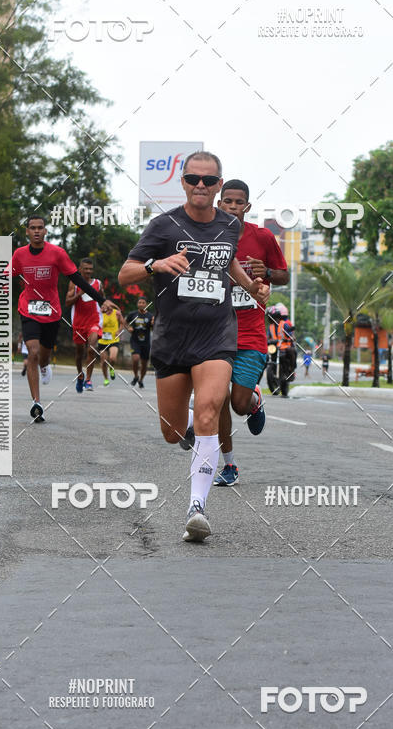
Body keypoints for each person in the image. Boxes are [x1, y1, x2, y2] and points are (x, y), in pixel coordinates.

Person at [118, 151, 269, 542]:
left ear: (219, 186)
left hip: (217, 336)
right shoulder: (163, 226)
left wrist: (251, 287)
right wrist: (157, 265)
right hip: (171, 339)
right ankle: (187, 432)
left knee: (208, 412)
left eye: (208, 180)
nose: (200, 185)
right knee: (172, 431)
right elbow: (125, 274)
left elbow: (228, 263)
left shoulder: (228, 225)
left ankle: (196, 508)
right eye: (192, 179)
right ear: (183, 183)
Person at [0, 215, 107, 421]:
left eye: (40, 228)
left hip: (52, 312)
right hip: (28, 309)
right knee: (33, 353)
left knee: (44, 357)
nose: (37, 231)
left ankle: (45, 367)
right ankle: (37, 402)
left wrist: (101, 300)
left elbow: (77, 279)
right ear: (27, 232)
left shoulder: (57, 253)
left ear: (45, 231)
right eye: (32, 228)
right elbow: (3, 278)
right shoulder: (19, 255)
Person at [213, 179, 288, 486]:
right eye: (227, 201)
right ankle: (229, 465)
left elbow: (283, 275)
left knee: (238, 404)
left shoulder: (263, 237)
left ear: (247, 206)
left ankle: (254, 400)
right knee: (217, 400)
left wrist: (266, 273)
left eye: (238, 202)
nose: (232, 206)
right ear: (219, 204)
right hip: (215, 333)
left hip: (251, 334)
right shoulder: (210, 237)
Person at [65, 257, 105, 393]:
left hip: (94, 321)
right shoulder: (74, 284)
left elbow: (102, 299)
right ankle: (80, 375)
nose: (88, 271)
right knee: (79, 353)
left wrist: (105, 306)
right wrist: (79, 294)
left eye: (90, 269)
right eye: (86, 269)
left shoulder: (98, 283)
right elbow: (67, 302)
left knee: (91, 349)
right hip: (78, 322)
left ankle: (88, 379)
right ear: (80, 269)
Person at [267, 303, 296, 397]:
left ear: (277, 317)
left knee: (292, 351)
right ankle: (272, 380)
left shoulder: (284, 325)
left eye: (272, 317)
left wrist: (291, 337)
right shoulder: (270, 327)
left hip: (284, 347)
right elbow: (268, 337)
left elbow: (291, 333)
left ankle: (291, 370)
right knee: (267, 357)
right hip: (275, 348)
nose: (270, 319)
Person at [125, 296, 154, 388]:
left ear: (146, 304)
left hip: (145, 342)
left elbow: (154, 328)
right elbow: (124, 322)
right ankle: (136, 376)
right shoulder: (133, 314)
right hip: (135, 341)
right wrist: (128, 327)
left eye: (143, 303)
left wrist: (153, 324)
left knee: (144, 363)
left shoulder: (150, 316)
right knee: (136, 358)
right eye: (139, 302)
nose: (141, 304)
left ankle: (141, 379)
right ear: (137, 304)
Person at [98, 300, 125, 386]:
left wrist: (119, 331)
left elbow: (122, 323)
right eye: (103, 305)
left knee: (112, 358)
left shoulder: (116, 313)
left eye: (107, 305)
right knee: (104, 361)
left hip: (114, 340)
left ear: (111, 306)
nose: (105, 307)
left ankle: (111, 368)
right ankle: (106, 378)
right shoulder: (100, 314)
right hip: (102, 340)